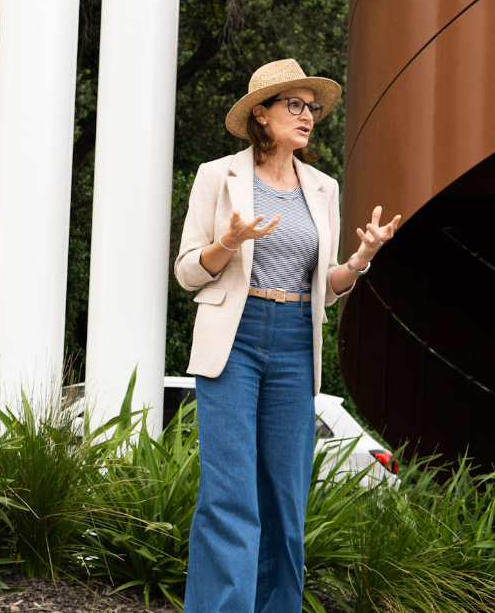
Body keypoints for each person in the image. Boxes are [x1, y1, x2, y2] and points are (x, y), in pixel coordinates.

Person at [174, 59, 401, 612]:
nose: (308, 117)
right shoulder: (217, 176)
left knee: (285, 500)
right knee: (230, 497)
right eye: (294, 106)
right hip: (236, 336)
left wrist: (362, 259)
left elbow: (327, 287)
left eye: (312, 108)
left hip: (298, 340)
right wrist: (227, 242)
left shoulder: (323, 187)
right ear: (262, 114)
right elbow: (187, 272)